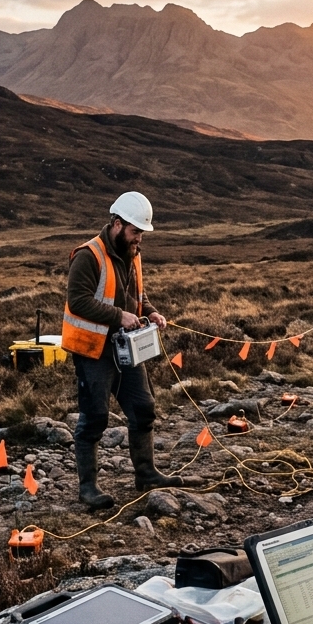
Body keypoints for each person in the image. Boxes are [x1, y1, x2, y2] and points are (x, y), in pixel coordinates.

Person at [61, 191, 182, 509]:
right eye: (135, 231)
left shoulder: (133, 253)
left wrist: (150, 312)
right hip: (93, 350)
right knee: (95, 417)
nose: (139, 239)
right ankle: (88, 488)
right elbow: (78, 301)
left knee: (143, 407)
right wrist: (119, 316)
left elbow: (135, 296)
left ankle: (146, 474)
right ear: (117, 224)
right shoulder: (88, 255)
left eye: (142, 233)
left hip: (127, 347)